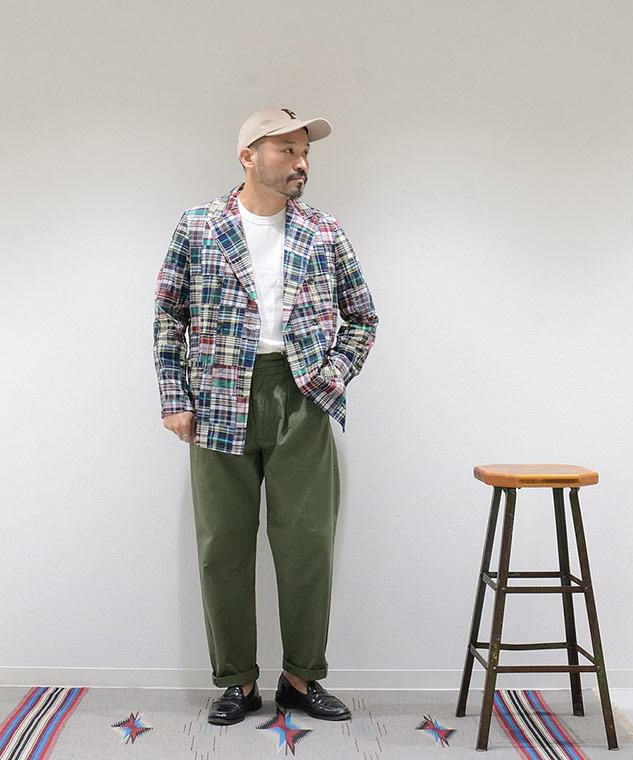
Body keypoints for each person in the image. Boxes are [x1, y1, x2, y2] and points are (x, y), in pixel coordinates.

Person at [153, 107, 378, 725]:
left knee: (307, 542)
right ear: (248, 156)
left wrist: (330, 377)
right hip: (219, 397)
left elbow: (363, 316)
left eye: (305, 152)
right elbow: (168, 314)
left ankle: (302, 679)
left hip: (301, 395)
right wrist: (175, 398)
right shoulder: (199, 226)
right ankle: (238, 682)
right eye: (288, 150)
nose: (301, 162)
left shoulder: (323, 231)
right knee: (222, 544)